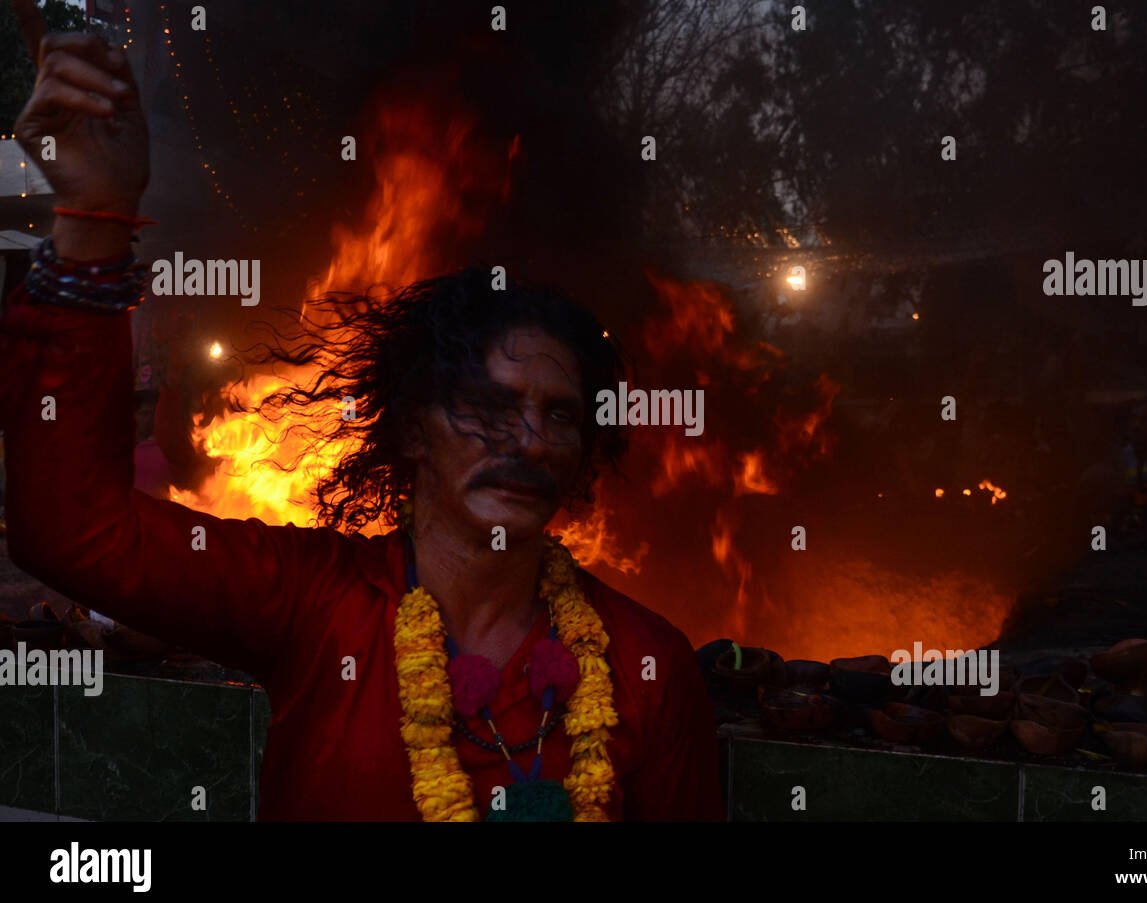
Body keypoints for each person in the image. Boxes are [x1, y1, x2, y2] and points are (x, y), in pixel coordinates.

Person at [0, 25, 723, 822]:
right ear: (413, 431)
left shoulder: (648, 664)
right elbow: (72, 531)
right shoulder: (313, 602)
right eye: (486, 407)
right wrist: (96, 218)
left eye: (558, 415)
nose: (528, 440)